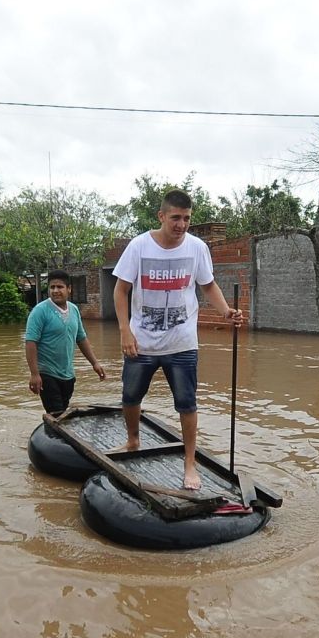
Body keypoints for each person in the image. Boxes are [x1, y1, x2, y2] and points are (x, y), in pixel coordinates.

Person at [113, 189, 243, 490]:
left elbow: (208, 285)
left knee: (187, 404)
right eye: (175, 218)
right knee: (130, 397)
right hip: (141, 340)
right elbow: (120, 290)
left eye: (186, 219)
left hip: (183, 342)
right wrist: (124, 330)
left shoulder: (197, 248)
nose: (181, 225)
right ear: (161, 216)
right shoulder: (139, 246)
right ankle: (133, 440)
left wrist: (225, 312)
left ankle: (189, 464)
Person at [25, 270, 106, 414]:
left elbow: (81, 338)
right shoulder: (39, 311)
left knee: (63, 414)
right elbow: (31, 342)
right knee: (56, 414)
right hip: (47, 374)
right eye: (52, 287)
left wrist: (95, 363)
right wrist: (34, 374)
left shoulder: (74, 310)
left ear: (69, 289)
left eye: (60, 287)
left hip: (68, 375)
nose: (55, 291)